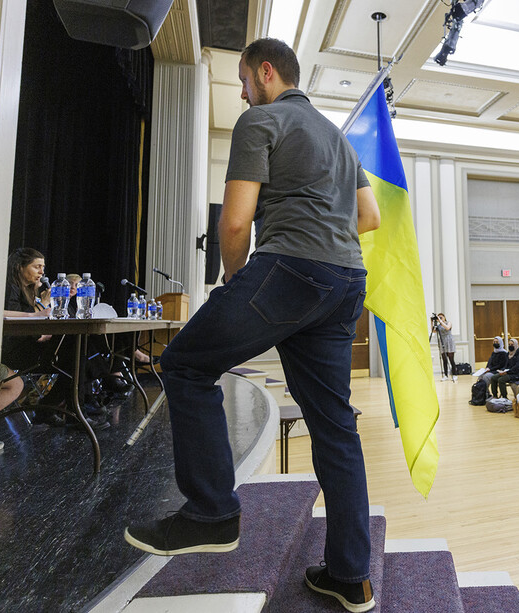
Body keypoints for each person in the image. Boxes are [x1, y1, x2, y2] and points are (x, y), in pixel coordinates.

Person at [122, 39, 382, 612]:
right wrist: (325, 242)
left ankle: (211, 513)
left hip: (289, 269)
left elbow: (236, 224)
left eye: (243, 80)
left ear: (266, 72)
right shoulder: (338, 139)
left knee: (184, 363)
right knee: (336, 428)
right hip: (346, 283)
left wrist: (237, 284)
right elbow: (370, 216)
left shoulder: (261, 121)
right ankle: (350, 576)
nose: (241, 93)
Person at [434, 313, 457, 382]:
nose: (440, 318)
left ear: (444, 317)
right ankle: (446, 375)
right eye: (439, 317)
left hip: (449, 341)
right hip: (442, 341)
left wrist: (441, 322)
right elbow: (433, 331)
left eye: (441, 317)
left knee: (451, 359)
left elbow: (447, 328)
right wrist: (432, 322)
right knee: (444, 360)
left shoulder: (448, 323)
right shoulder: (438, 326)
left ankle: (454, 375)